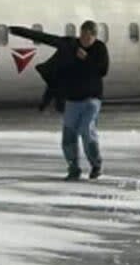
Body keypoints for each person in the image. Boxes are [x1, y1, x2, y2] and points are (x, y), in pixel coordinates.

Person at [10, 20, 110, 180]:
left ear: (94, 36)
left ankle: (95, 164)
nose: (85, 39)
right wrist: (18, 31)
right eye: (83, 35)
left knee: (87, 131)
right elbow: (47, 38)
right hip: (72, 100)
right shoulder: (71, 45)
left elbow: (102, 70)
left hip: (92, 100)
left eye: (88, 37)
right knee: (68, 136)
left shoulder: (99, 48)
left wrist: (87, 59)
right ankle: (73, 167)